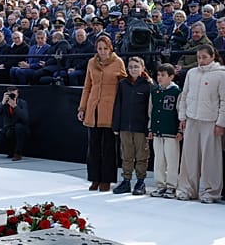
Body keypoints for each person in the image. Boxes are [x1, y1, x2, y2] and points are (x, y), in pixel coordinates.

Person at [176, 44, 225, 203]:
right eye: (199, 57)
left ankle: (211, 192)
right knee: (189, 157)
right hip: (192, 119)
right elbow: (185, 95)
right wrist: (182, 117)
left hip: (210, 121)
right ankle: (187, 189)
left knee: (210, 158)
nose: (201, 60)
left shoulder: (222, 74)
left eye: (204, 57)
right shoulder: (192, 73)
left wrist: (221, 123)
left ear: (212, 57)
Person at [77, 35, 126, 193]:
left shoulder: (118, 62)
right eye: (99, 48)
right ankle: (94, 178)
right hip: (93, 108)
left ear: (110, 48)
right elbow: (87, 86)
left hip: (110, 109)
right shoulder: (91, 62)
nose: (102, 51)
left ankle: (107, 179)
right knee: (93, 147)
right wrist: (82, 108)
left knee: (109, 147)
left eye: (105, 48)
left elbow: (124, 85)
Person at [112, 57, 153, 196]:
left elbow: (151, 108)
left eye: (136, 66)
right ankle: (126, 180)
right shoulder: (123, 84)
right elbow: (118, 105)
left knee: (142, 155)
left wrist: (149, 128)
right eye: (130, 67)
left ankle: (140, 181)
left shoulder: (148, 85)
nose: (133, 69)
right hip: (125, 126)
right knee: (126, 154)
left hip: (141, 127)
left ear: (142, 68)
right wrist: (116, 125)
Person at [148, 63, 182, 199]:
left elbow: (179, 112)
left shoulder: (176, 92)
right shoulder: (154, 91)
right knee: (159, 160)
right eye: (158, 75)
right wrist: (150, 128)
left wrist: (180, 130)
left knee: (172, 160)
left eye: (163, 75)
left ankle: (172, 186)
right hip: (157, 131)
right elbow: (151, 111)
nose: (159, 78)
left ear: (171, 77)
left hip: (171, 131)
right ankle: (160, 185)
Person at [0, 87, 29, 161]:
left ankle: (18, 152)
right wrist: (2, 102)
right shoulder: (5, 103)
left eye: (14, 94)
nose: (12, 96)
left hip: (19, 129)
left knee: (19, 127)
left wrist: (15, 106)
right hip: (8, 128)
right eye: (10, 94)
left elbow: (25, 118)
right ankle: (10, 150)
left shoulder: (22, 103)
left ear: (17, 94)